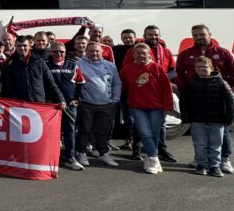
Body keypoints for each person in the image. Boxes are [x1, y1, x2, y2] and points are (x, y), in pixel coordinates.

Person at [176, 24, 234, 173]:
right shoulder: (185, 54)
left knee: (222, 132)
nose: (199, 37)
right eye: (195, 35)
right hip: (196, 99)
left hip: (218, 101)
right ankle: (202, 161)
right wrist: (184, 92)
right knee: (199, 134)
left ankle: (225, 160)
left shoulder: (224, 53)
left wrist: (229, 92)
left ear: (209, 34)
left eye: (202, 34)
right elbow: (179, 74)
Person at [123, 25, 177, 161]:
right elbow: (127, 70)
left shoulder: (166, 51)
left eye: (156, 35)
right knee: (139, 125)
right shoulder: (134, 51)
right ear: (144, 35)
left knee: (160, 127)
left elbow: (172, 69)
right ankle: (137, 148)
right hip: (139, 94)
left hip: (158, 95)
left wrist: (165, 78)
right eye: (150, 35)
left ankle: (161, 150)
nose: (153, 37)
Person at [180, 56, 234, 177]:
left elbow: (230, 101)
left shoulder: (221, 82)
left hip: (217, 121)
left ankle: (214, 166)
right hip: (197, 120)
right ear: (195, 69)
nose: (201, 69)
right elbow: (184, 101)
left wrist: (231, 117)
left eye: (204, 67)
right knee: (199, 144)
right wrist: (186, 118)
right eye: (198, 67)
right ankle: (202, 165)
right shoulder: (190, 83)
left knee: (215, 145)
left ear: (211, 68)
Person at [73, 42, 122, 170]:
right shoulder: (78, 64)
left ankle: (103, 153)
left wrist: (115, 99)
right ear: (86, 51)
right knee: (84, 130)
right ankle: (81, 153)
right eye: (91, 51)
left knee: (103, 131)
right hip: (86, 104)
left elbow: (117, 82)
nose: (94, 53)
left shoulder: (110, 65)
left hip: (107, 104)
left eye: (97, 51)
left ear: (101, 52)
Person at [46, 43, 87, 168]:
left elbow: (81, 83)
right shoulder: (45, 65)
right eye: (55, 51)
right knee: (50, 132)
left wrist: (78, 99)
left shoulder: (73, 65)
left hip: (69, 105)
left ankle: (70, 157)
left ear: (65, 52)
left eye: (61, 52)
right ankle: (51, 157)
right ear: (50, 52)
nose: (58, 54)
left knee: (69, 131)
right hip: (51, 106)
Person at [0, 36, 64, 103]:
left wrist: (60, 100)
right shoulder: (9, 64)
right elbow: (8, 86)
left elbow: (50, 82)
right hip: (19, 105)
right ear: (15, 46)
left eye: (25, 45)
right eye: (19, 46)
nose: (22, 48)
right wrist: (14, 100)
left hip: (38, 103)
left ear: (30, 46)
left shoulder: (39, 61)